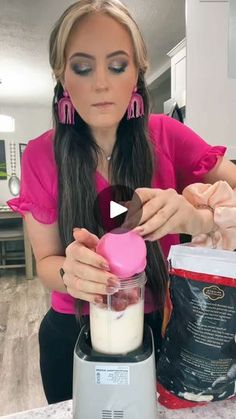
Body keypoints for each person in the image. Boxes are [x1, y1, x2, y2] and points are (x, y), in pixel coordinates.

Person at [7, 0, 236, 405]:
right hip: (72, 331)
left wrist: (198, 218)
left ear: (137, 73)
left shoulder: (167, 136)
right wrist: (71, 272)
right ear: (61, 74)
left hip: (169, 327)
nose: (100, 84)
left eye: (117, 66)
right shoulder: (41, 155)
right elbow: (45, 263)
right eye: (82, 67)